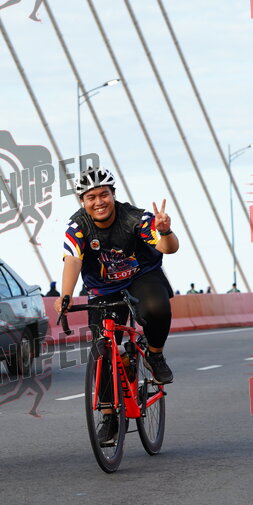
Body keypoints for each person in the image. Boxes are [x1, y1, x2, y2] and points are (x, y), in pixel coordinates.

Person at [55, 167, 178, 446]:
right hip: (102, 288)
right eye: (91, 197)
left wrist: (165, 231)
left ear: (113, 195)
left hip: (141, 277)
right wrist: (66, 295)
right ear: (82, 202)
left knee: (156, 308)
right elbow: (72, 260)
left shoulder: (136, 218)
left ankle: (155, 355)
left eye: (104, 195)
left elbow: (168, 248)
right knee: (102, 351)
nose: (99, 202)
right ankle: (109, 416)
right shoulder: (77, 227)